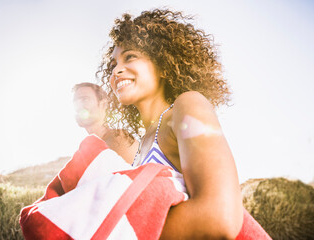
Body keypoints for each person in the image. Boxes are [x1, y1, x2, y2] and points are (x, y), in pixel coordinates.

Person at [97, 9, 244, 239]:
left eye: (130, 57)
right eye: (114, 63)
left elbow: (219, 217)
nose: (117, 70)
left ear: (163, 65)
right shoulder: (139, 148)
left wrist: (120, 232)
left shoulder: (187, 106)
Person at [72, 82, 138, 164]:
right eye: (75, 101)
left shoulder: (119, 138)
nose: (78, 106)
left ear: (103, 104)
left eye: (85, 99)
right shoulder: (87, 149)